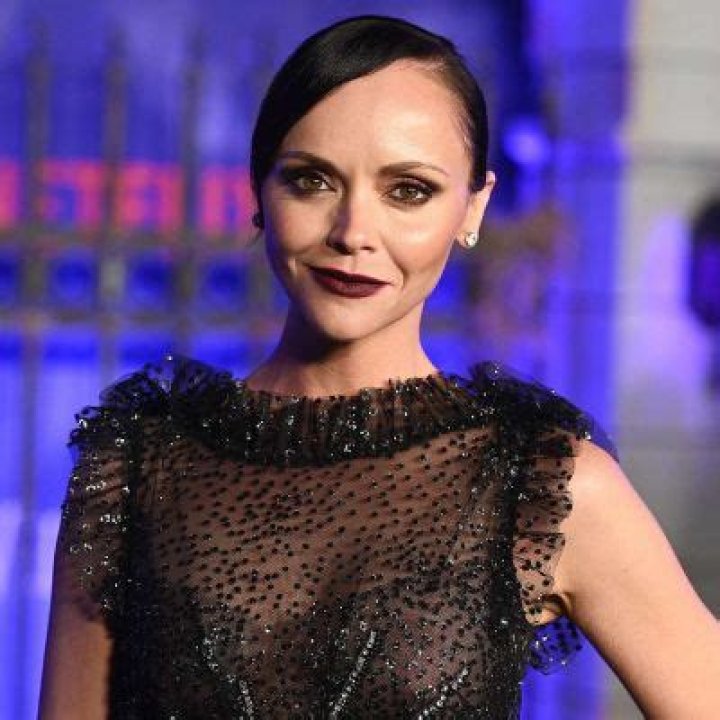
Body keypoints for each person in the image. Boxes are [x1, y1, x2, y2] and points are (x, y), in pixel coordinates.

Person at [39, 14, 720, 720]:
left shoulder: (540, 482)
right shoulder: (137, 468)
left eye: (408, 191)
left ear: (473, 207)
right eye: (311, 181)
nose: (354, 233)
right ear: (259, 191)